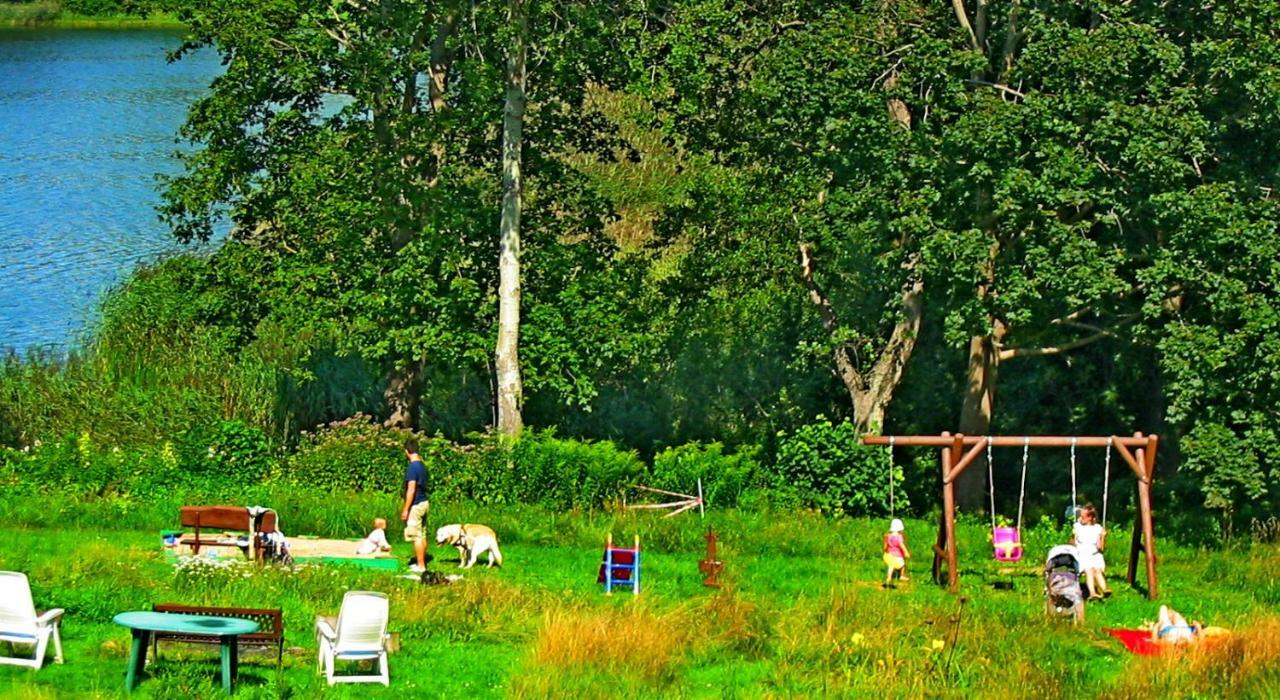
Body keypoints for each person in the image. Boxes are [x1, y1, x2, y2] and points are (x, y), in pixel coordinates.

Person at [401, 439, 430, 573]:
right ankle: (422, 561)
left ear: (407, 451)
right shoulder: (423, 466)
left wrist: (406, 509)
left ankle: (421, 566)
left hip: (416, 505)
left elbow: (411, 489)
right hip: (424, 502)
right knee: (422, 534)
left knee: (416, 536)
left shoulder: (412, 467)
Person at [1071, 503, 1110, 600]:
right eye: (1080, 516)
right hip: (1083, 556)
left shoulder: (1097, 528)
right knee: (1089, 570)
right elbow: (1073, 544)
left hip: (1095, 555)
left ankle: (1105, 590)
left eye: (1083, 516)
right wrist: (1073, 536)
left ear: (1090, 517)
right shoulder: (1078, 527)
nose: (1080, 518)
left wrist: (1103, 537)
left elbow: (1100, 547)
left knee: (1097, 570)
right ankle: (1092, 593)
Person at [883, 518, 911, 586]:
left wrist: (885, 550)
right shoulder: (899, 537)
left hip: (889, 554)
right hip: (898, 555)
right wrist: (906, 552)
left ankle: (889, 578)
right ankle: (901, 575)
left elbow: (885, 546)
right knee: (903, 565)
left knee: (891, 566)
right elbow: (901, 545)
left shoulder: (888, 536)